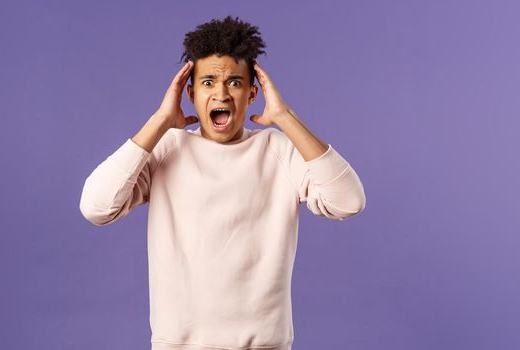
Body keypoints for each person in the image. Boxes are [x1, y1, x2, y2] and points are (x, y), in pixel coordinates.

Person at [79, 16, 366, 350]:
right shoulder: (168, 149)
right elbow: (96, 207)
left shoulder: (277, 150)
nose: (221, 93)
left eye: (234, 82)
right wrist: (159, 122)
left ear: (252, 92)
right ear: (189, 93)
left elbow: (348, 201)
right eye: (208, 82)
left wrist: (285, 118)